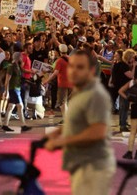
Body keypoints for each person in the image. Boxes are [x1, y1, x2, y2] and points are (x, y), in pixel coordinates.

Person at [44, 49, 115, 195]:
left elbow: (98, 131)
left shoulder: (95, 94)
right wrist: (55, 133)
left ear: (91, 70)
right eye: (72, 66)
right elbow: (76, 121)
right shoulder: (79, 91)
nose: (74, 71)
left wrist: (63, 141)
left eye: (80, 67)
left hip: (92, 167)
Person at [1, 51, 31, 132]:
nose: (22, 58)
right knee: (20, 106)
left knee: (11, 107)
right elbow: (7, 80)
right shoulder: (11, 66)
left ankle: (5, 124)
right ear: (18, 57)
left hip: (16, 89)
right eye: (20, 56)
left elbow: (23, 71)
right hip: (13, 89)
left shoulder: (17, 66)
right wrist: (6, 91)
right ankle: (23, 125)